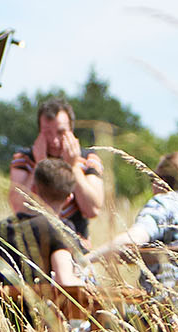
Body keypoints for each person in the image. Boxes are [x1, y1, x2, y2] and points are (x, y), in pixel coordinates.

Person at [93, 153, 178, 332]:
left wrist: (89, 257)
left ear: (158, 181)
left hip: (169, 323)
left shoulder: (163, 204)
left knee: (98, 324)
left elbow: (134, 238)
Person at [8, 98, 105, 240]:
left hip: (75, 244)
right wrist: (39, 165)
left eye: (60, 132)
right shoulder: (24, 159)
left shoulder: (89, 160)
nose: (54, 141)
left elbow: (92, 209)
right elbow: (18, 207)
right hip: (34, 242)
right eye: (47, 133)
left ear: (71, 131)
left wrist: (73, 167)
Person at [0, 158, 85, 288]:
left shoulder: (1, 227)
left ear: (33, 189)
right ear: (69, 198)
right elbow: (64, 280)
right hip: (38, 307)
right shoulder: (59, 228)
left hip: (0, 307)